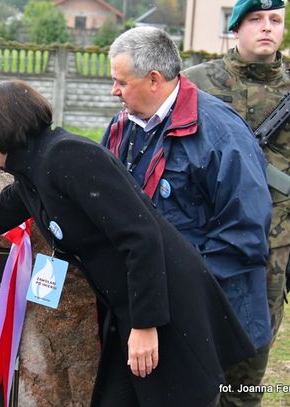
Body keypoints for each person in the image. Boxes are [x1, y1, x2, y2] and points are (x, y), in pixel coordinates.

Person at [0, 80, 257, 406]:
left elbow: (142, 237)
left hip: (165, 309)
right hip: (131, 310)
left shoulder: (68, 157)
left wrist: (146, 326)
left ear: (2, 130)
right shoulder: (33, 173)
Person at [101, 24, 273, 392]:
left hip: (210, 309)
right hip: (152, 302)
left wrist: (176, 287)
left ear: (153, 79)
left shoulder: (221, 134)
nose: (113, 90)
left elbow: (246, 232)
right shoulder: (122, 128)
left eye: (120, 81)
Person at [182, 1, 288, 404]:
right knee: (195, 357)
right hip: (204, 241)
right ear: (235, 28)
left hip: (271, 247)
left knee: (250, 363)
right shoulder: (195, 84)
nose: (267, 28)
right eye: (255, 20)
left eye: (275, 20)